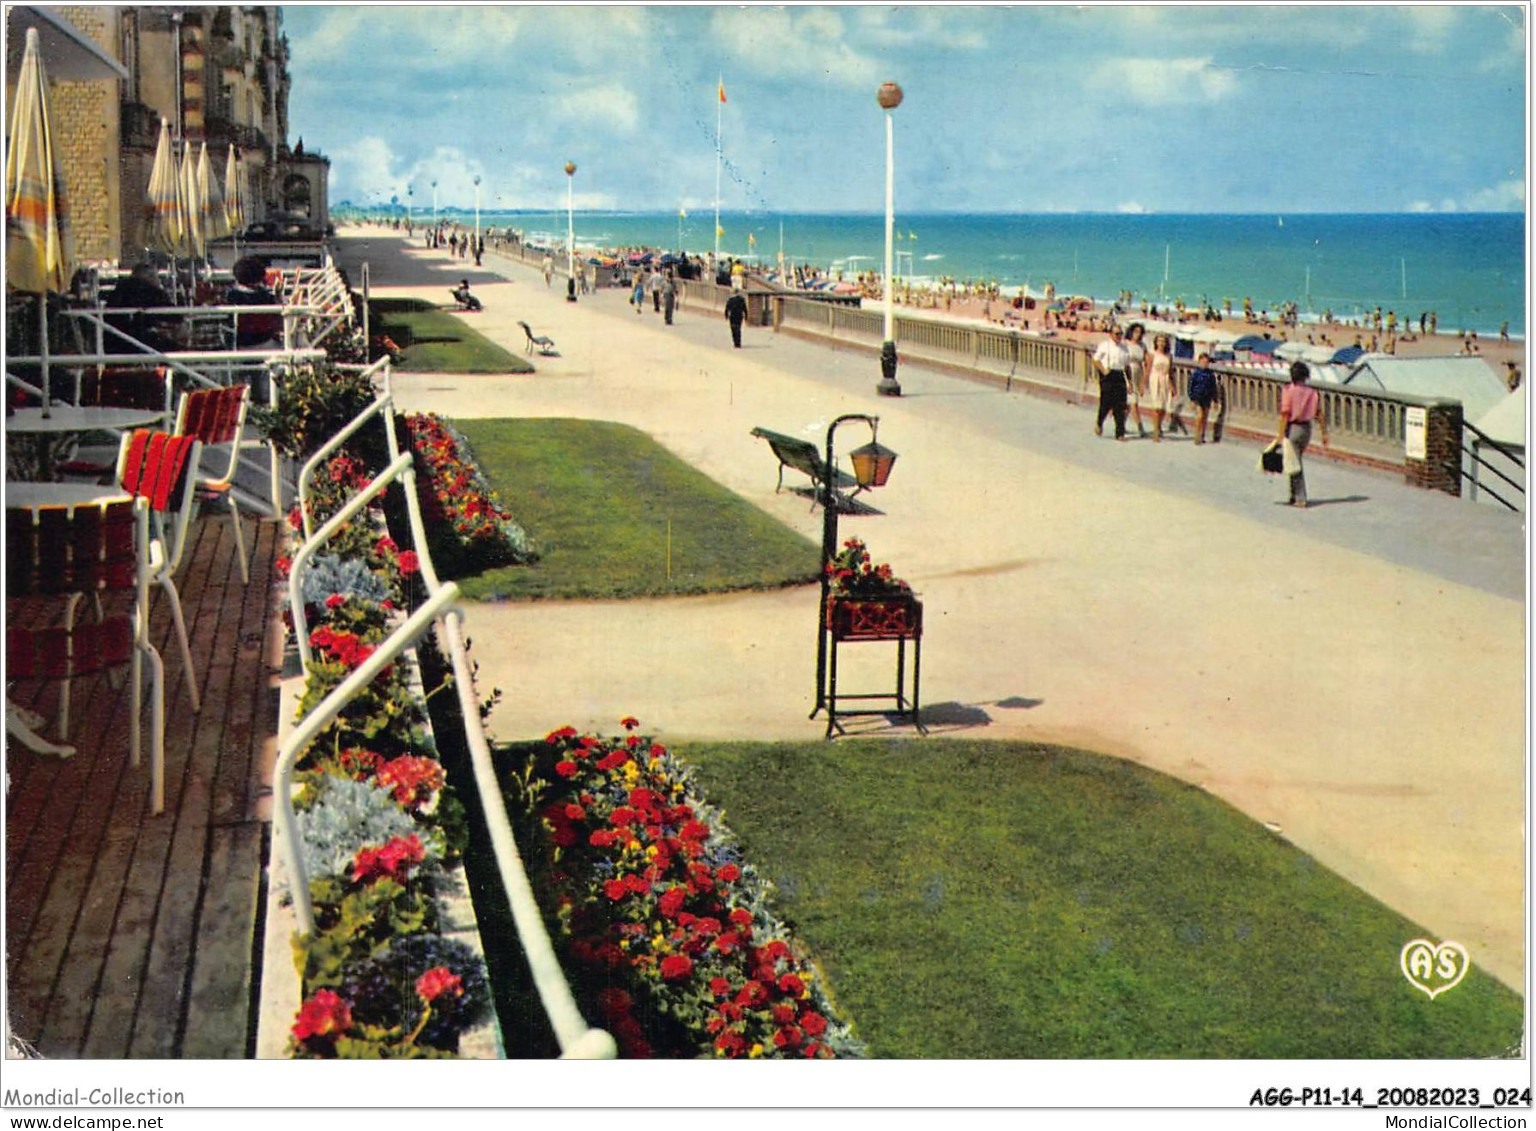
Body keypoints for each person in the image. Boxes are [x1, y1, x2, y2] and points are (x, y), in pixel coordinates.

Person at [1275, 360, 1328, 508]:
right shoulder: (1312, 393)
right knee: (1294, 460)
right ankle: (1293, 495)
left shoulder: (1288, 391)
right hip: (1307, 429)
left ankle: (1300, 497)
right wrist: (1324, 434)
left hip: (1293, 428)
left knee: (1295, 463)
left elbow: (1285, 414)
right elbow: (1320, 414)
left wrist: (1280, 435)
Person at [104, 262, 179, 353]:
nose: (159, 281)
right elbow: (173, 315)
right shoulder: (150, 292)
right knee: (176, 349)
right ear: (150, 277)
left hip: (113, 343)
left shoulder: (118, 292)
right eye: (157, 277)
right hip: (140, 343)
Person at [1091, 325, 1130, 440]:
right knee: (1106, 403)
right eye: (1116, 334)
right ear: (1111, 334)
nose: (1118, 336)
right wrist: (1103, 370)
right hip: (1107, 375)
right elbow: (1095, 360)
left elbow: (1127, 366)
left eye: (1120, 334)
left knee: (1121, 405)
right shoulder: (1104, 345)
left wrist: (1130, 382)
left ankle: (1120, 433)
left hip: (1119, 374)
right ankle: (1099, 422)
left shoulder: (1124, 348)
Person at [1186, 351, 1222, 444]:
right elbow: (1190, 386)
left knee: (1205, 417)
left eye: (1206, 362)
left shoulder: (1210, 374)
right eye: (1203, 362)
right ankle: (1197, 435)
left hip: (1207, 397)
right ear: (1199, 362)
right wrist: (1192, 399)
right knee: (1199, 415)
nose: (1205, 364)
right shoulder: (1195, 373)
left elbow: (1213, 387)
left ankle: (1202, 434)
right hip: (1197, 396)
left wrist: (1215, 400)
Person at [1145, 333, 1176, 441]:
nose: (1161, 343)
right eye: (1159, 341)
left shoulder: (1169, 356)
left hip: (1165, 380)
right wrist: (1142, 384)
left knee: (1163, 407)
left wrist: (1173, 386)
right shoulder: (1152, 354)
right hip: (1155, 379)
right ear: (1156, 342)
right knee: (1156, 407)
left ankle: (1159, 425)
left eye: (1163, 341)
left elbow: (1171, 372)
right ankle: (1156, 432)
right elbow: (1148, 369)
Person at [1124, 322, 1149, 438]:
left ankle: (1121, 424)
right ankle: (1140, 427)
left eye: (1140, 332)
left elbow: (1147, 361)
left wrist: (1144, 380)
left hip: (1138, 371)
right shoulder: (1125, 344)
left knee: (1129, 403)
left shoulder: (1142, 346)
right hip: (1128, 371)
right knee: (1133, 401)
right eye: (1135, 332)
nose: (1137, 335)